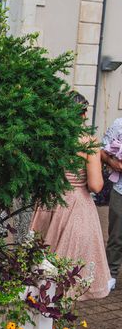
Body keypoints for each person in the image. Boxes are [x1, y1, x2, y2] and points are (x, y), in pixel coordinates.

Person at [30, 92, 111, 308]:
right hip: (76, 206)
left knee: (42, 264)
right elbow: (95, 185)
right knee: (69, 269)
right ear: (83, 115)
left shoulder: (48, 138)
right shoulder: (89, 143)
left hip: (48, 202)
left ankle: (40, 320)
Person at [101, 115, 122, 291]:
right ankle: (111, 274)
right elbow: (101, 150)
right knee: (116, 235)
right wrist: (112, 162)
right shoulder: (119, 124)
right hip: (121, 190)